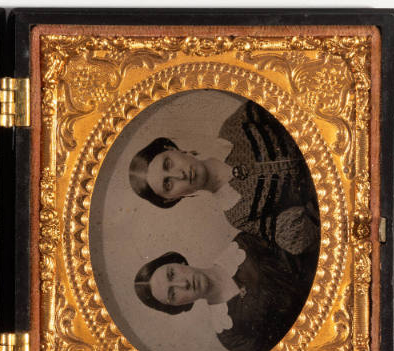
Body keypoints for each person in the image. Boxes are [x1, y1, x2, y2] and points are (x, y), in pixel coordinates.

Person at [128, 100, 320, 256]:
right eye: (168, 184)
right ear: (173, 198)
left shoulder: (234, 127)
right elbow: (300, 239)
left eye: (168, 164)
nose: (180, 174)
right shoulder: (237, 214)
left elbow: (291, 103)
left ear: (173, 149)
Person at [133, 232, 315, 351]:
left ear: (178, 262)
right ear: (178, 306)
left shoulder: (244, 245)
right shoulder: (229, 335)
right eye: (173, 294)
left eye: (171, 274)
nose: (183, 284)